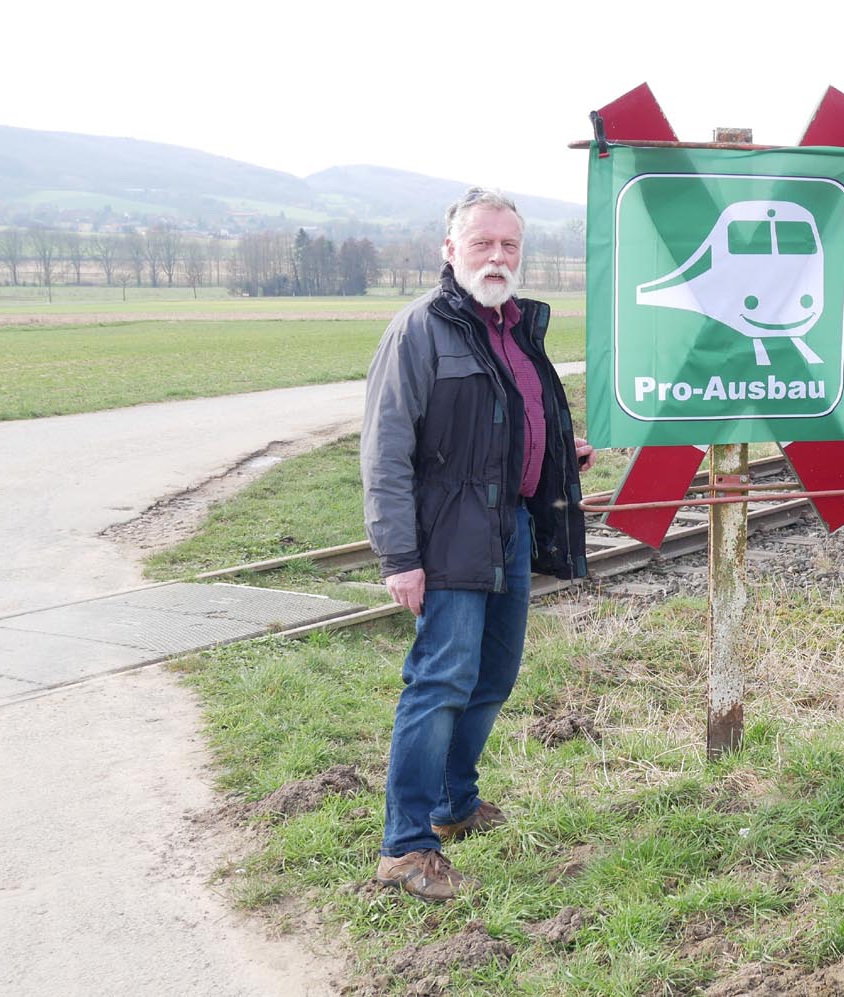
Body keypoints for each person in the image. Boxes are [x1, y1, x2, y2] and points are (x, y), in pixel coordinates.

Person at [360, 187, 595, 901]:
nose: (497, 256)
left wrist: (556, 452)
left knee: (493, 675)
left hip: (510, 527)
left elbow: (508, 421)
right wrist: (400, 558)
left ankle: (453, 802)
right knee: (440, 681)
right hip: (447, 536)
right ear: (450, 249)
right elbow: (385, 451)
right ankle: (406, 845)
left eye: (509, 245)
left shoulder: (514, 327)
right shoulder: (420, 329)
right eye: (483, 242)